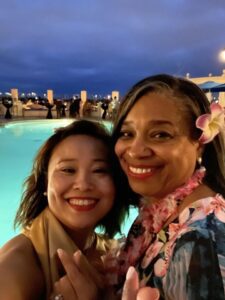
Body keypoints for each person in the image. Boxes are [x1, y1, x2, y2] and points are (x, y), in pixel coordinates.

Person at [54, 74, 225, 299]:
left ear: (200, 144)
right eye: (127, 133)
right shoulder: (158, 210)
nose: (135, 151)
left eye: (160, 135)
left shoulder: (200, 244)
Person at [0, 119, 131, 300]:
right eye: (68, 170)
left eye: (99, 170)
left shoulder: (110, 250)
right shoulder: (16, 265)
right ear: (45, 184)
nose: (83, 184)